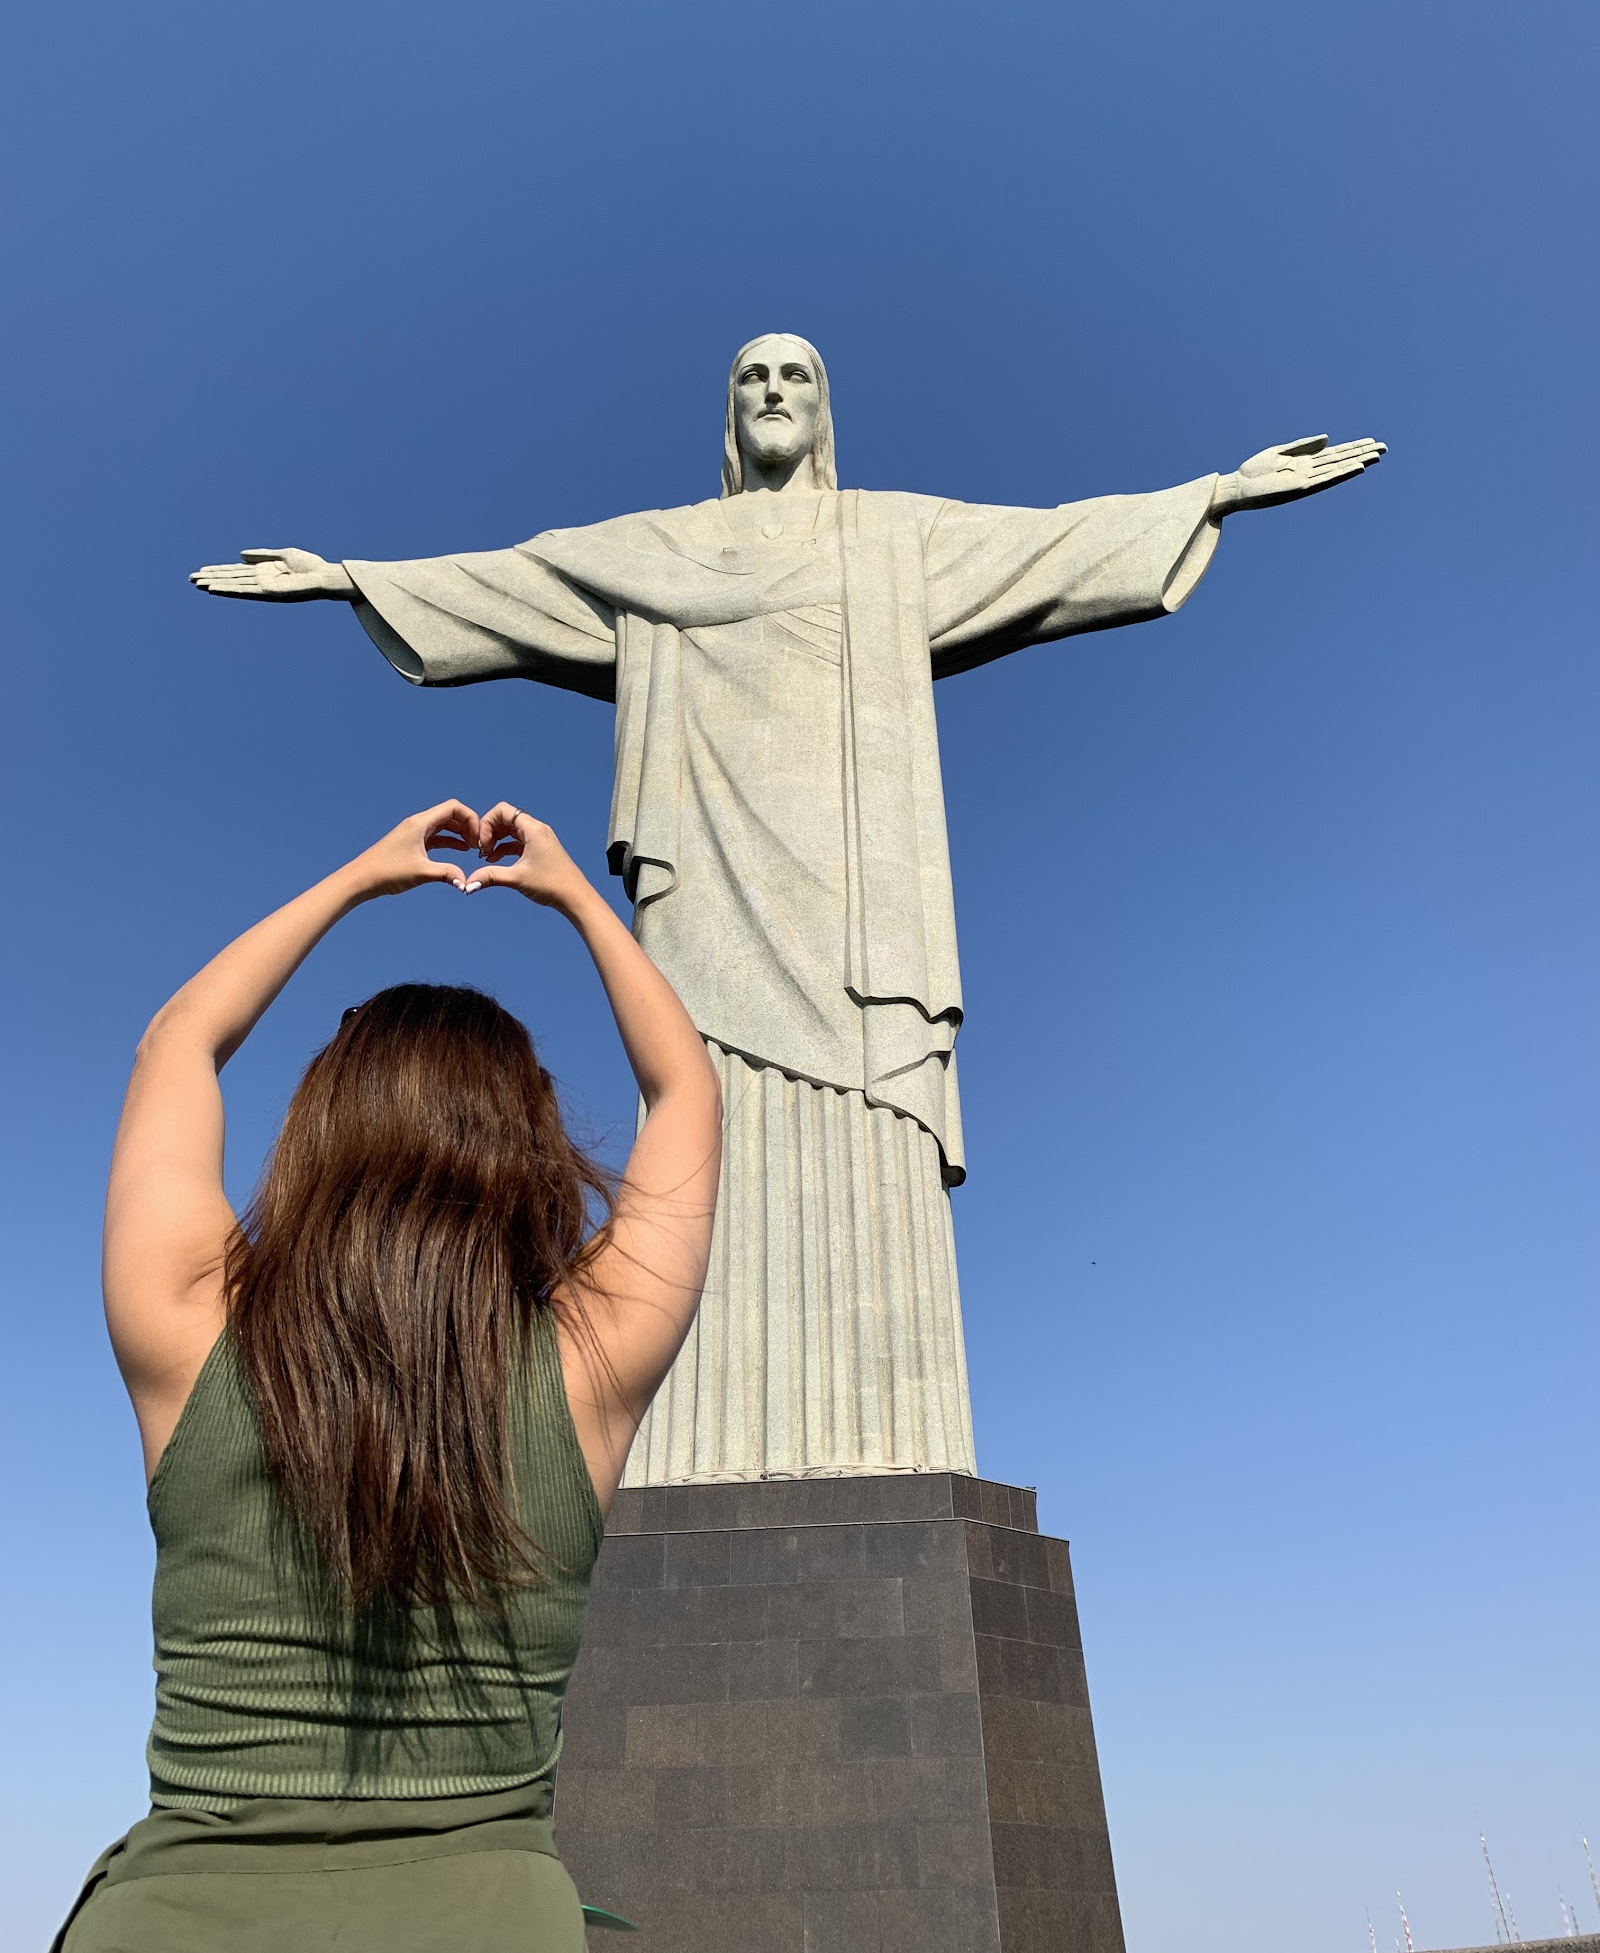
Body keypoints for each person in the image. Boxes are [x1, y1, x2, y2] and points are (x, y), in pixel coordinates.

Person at [190, 333, 1384, 1489]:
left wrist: (1215, 494)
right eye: (751, 375)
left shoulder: (889, 539)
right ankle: (692, 1446)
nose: (772, 389)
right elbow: (518, 577)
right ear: (729, 409)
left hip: (861, 902)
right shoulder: (654, 550)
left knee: (862, 1131)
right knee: (697, 1096)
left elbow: (1050, 545)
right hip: (705, 889)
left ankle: (885, 1433)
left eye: (795, 375)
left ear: (823, 408)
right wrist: (352, 578)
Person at [55, 799, 722, 1953]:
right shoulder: (586, 1369)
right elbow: (687, 1091)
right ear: (529, 1152)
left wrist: (360, 877)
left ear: (319, 1126)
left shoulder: (186, 1328)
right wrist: (572, 894)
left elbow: (177, 1041)